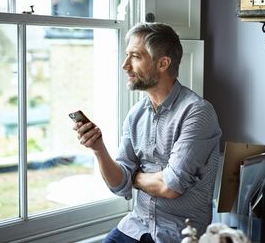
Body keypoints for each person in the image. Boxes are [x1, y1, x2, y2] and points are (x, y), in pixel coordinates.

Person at [73, 22, 222, 242]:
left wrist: (132, 177)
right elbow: (119, 185)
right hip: (136, 224)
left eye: (135, 56)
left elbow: (171, 186)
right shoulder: (136, 115)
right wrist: (98, 149)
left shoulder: (198, 113)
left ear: (162, 63)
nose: (125, 65)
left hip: (179, 232)